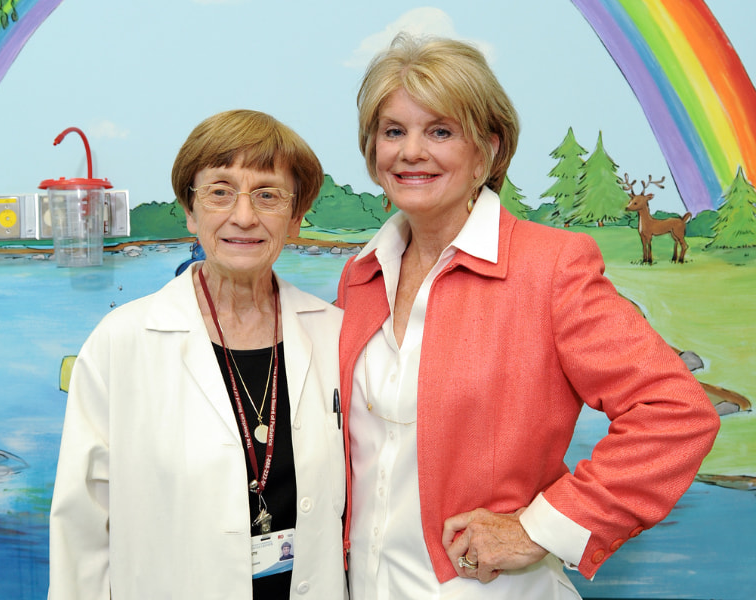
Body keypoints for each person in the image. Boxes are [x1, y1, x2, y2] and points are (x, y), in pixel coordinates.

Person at [336, 34, 720, 599]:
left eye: (440, 131)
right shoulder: (360, 276)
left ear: (488, 151)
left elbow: (677, 412)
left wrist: (538, 528)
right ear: (373, 153)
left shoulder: (551, 267)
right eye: (394, 131)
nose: (411, 151)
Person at [49, 109, 347, 599]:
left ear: (296, 218)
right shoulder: (121, 341)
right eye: (220, 191)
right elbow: (80, 526)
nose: (244, 215)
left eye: (268, 194)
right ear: (190, 210)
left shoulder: (334, 335)